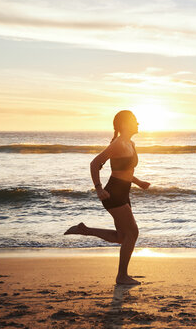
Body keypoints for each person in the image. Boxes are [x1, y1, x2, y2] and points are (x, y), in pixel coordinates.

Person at [64, 110, 150, 285]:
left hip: (124, 193)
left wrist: (138, 181)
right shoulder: (118, 144)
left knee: (122, 237)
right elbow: (95, 163)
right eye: (134, 121)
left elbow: (124, 172)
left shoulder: (130, 144)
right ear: (125, 124)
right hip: (113, 194)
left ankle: (85, 230)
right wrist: (98, 188)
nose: (138, 124)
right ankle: (122, 276)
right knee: (133, 233)